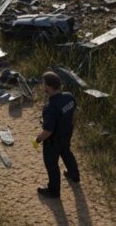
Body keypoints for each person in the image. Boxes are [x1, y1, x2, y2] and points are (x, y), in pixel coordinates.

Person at [35, 71, 80, 199]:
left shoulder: (50, 107)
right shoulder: (69, 96)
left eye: (44, 84)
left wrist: (38, 139)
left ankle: (53, 191)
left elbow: (48, 131)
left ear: (49, 86)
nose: (43, 86)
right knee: (66, 152)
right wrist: (70, 126)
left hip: (53, 141)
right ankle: (74, 175)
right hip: (67, 133)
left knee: (52, 164)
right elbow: (74, 114)